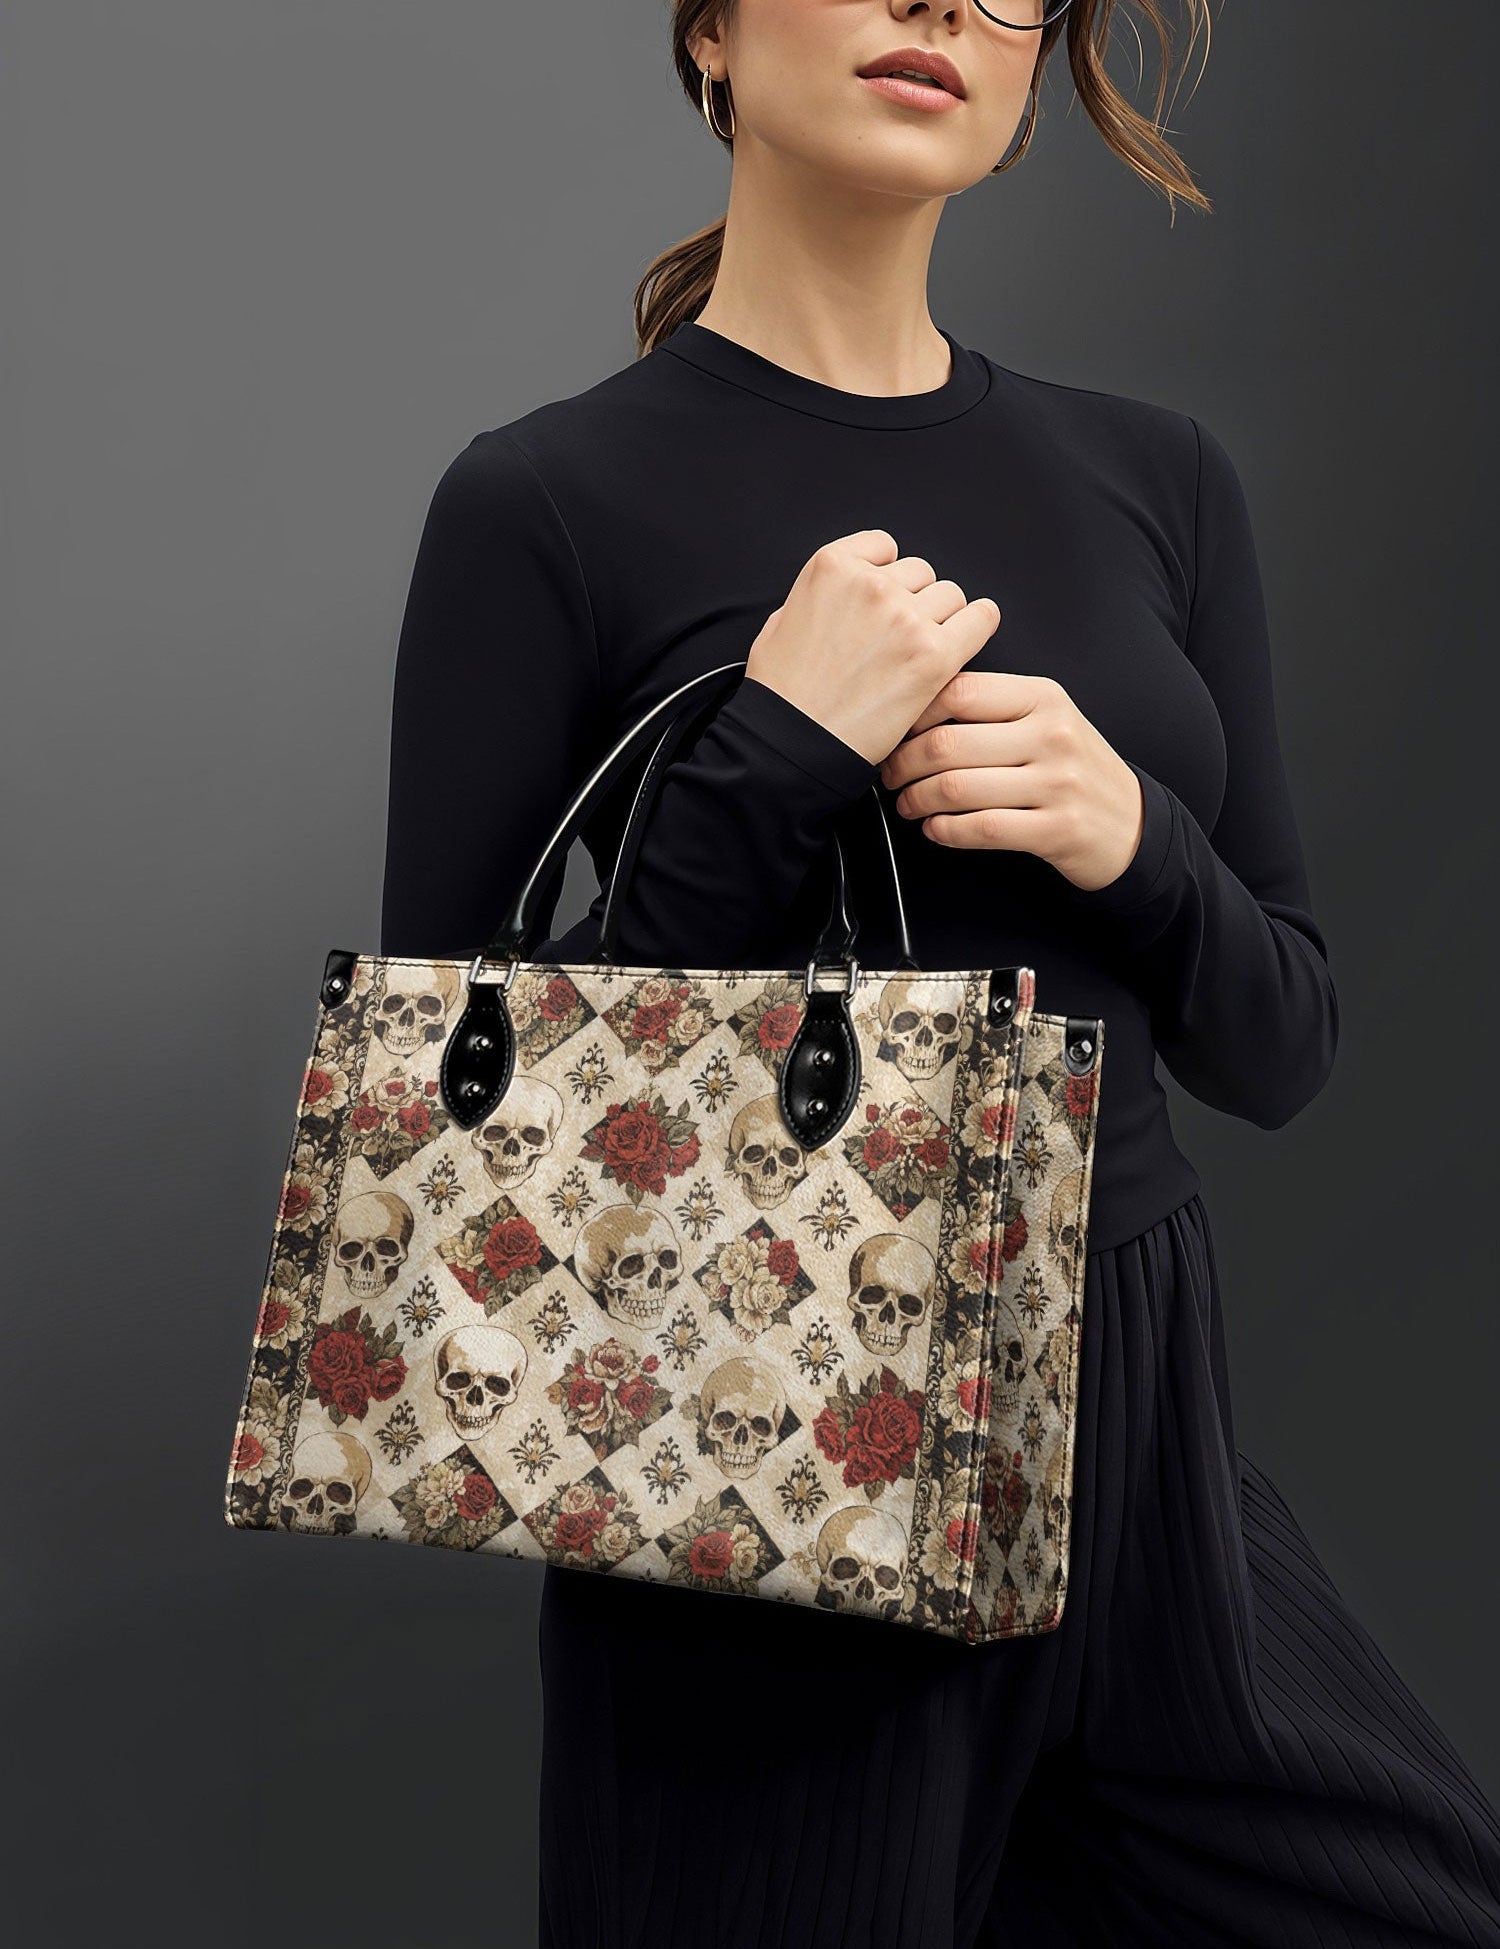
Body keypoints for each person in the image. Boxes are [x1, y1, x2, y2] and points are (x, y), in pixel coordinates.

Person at [379, 3, 1500, 1943]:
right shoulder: (546, 501)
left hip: (1147, 1438)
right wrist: (776, 751)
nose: (939, 6)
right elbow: (457, 1132)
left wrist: (1135, 838)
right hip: (772, 1433)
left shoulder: (1159, 477)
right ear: (713, 35)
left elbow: (1283, 1042)